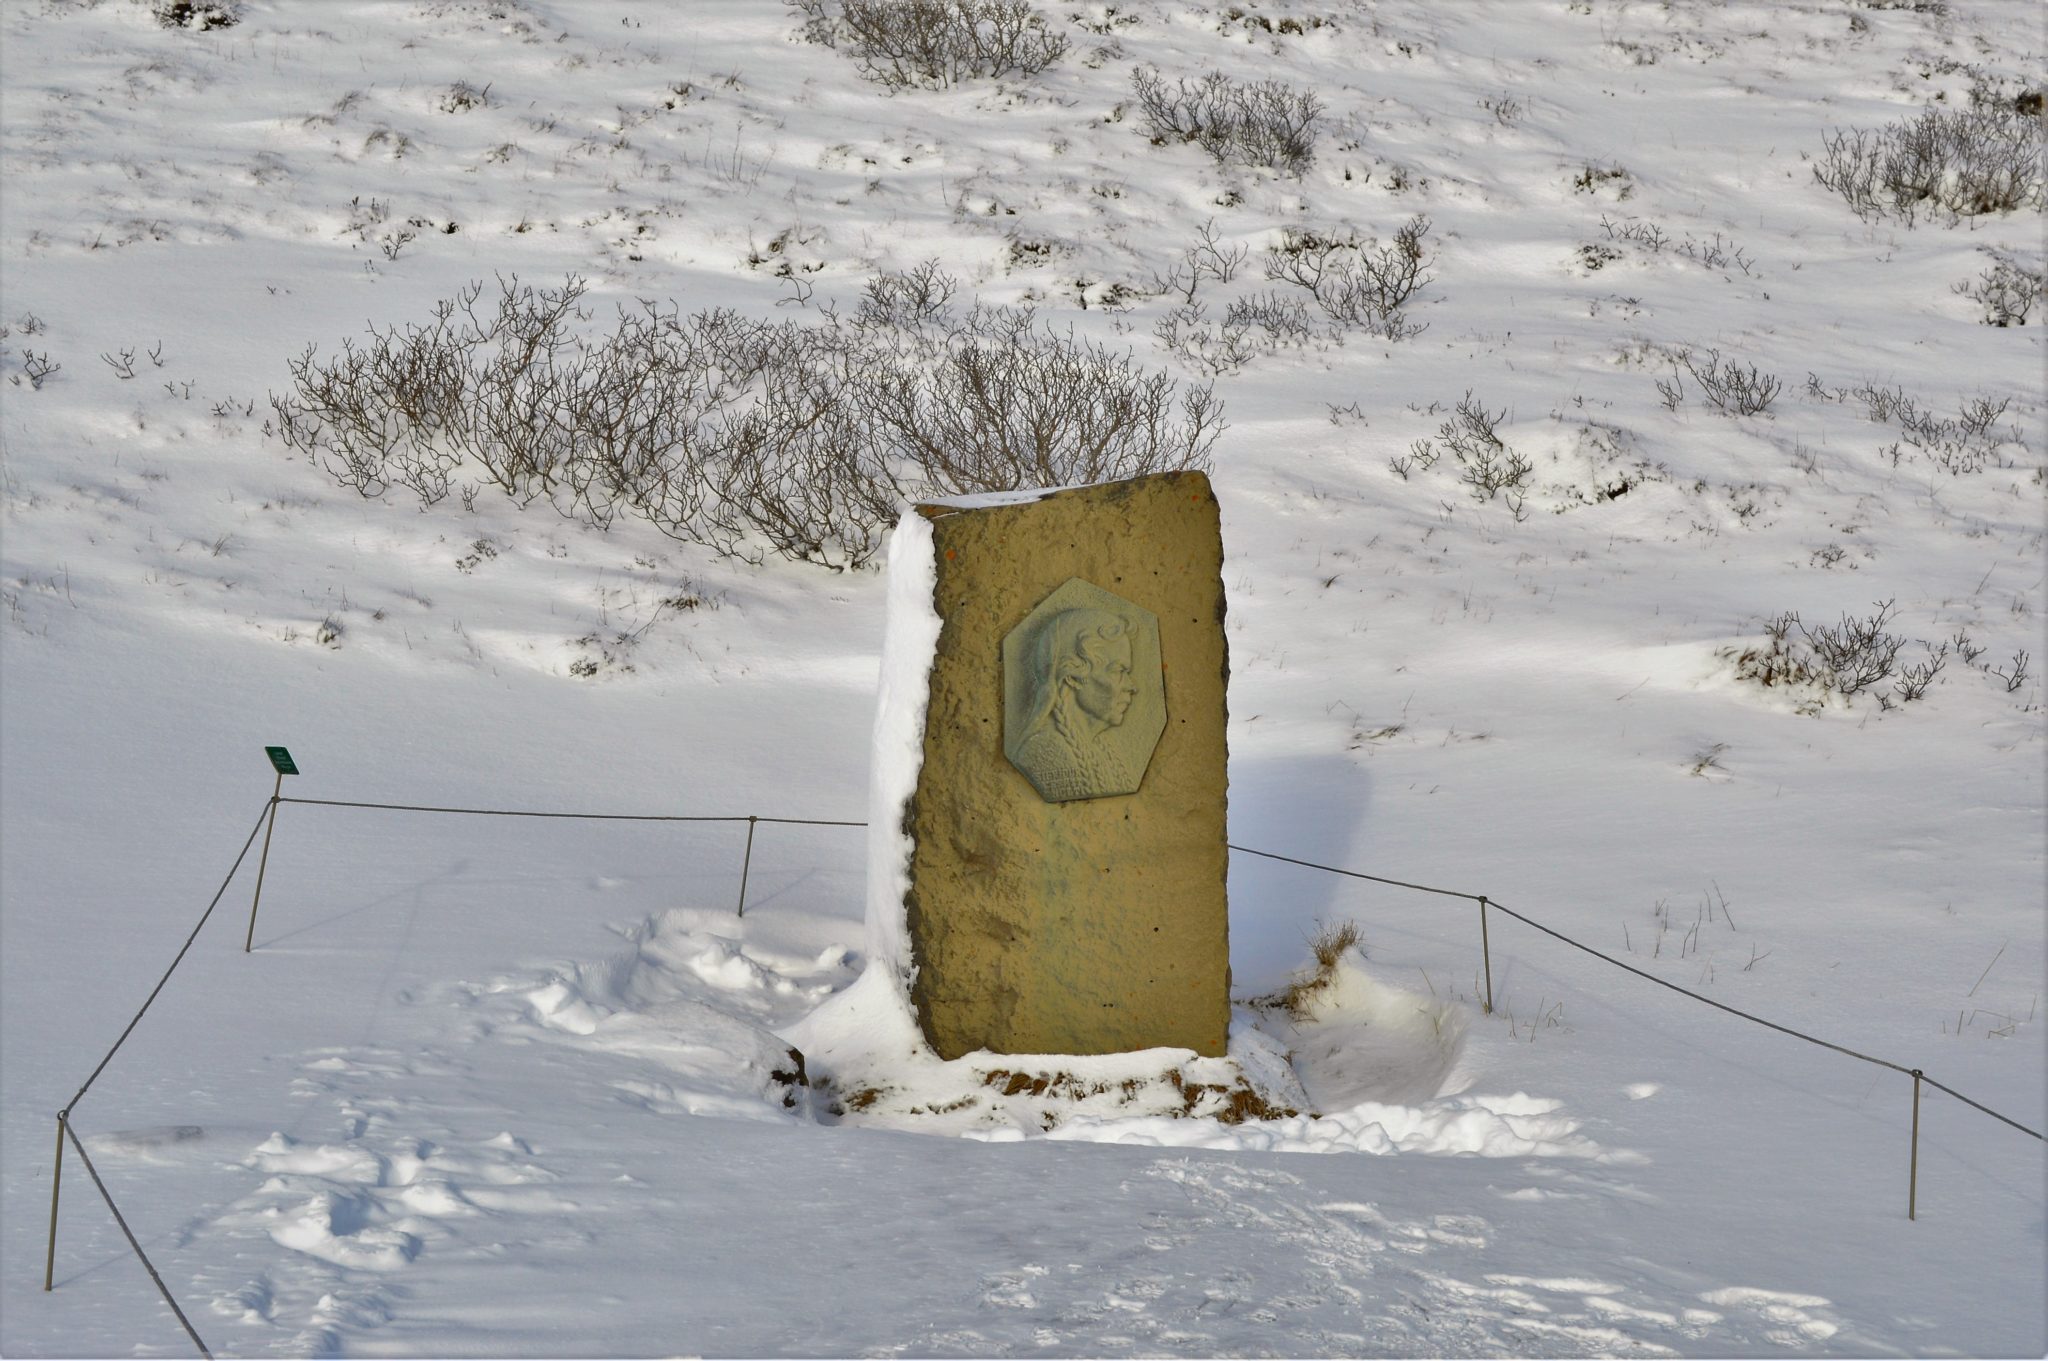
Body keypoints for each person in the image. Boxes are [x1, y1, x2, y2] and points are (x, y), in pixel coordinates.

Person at [1011, 606, 1141, 801]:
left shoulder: (1102, 752)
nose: (1131, 687)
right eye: (1118, 671)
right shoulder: (1044, 755)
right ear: (1073, 676)